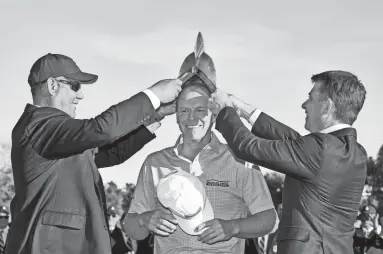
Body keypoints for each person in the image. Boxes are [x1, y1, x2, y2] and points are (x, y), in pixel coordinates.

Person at [6, 53, 183, 254]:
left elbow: (112, 153)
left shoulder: (56, 136)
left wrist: (157, 114)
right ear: (53, 86)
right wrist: (153, 95)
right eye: (75, 86)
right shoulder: (38, 124)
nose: (81, 95)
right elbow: (101, 130)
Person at [123, 33, 277, 254]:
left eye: (200, 110)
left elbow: (270, 220)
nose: (191, 118)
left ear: (214, 114)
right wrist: (144, 220)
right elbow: (131, 227)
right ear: (175, 115)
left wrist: (233, 227)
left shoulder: (239, 160)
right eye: (184, 110)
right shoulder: (154, 163)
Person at [209, 70, 367, 254]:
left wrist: (224, 110)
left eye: (311, 98)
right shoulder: (355, 152)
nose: (304, 104)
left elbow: (247, 146)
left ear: (326, 106)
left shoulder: (319, 150)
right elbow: (293, 141)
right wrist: (243, 108)